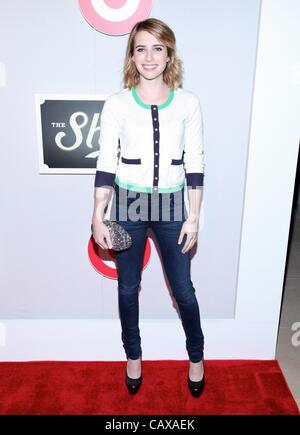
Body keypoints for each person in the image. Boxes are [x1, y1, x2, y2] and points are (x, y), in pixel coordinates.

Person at [92, 18, 205, 397]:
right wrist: (98, 213)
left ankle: (196, 356)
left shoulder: (188, 103)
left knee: (183, 291)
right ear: (132, 55)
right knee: (127, 289)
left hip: (174, 206)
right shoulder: (117, 105)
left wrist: (194, 215)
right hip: (129, 204)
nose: (149, 56)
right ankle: (134, 356)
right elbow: (107, 161)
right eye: (141, 48)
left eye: (158, 48)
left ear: (169, 53)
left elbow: (196, 162)